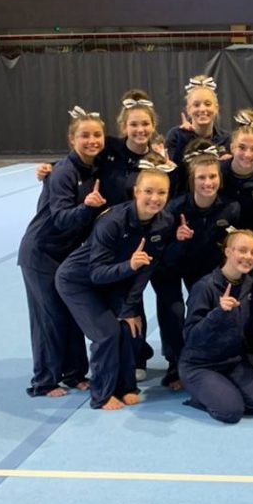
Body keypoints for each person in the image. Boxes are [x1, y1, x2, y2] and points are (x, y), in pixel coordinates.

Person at [56, 161, 176, 409]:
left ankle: (126, 386)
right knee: (106, 334)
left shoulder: (164, 222)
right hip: (78, 281)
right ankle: (102, 394)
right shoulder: (112, 222)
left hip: (115, 280)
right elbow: (97, 273)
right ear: (136, 192)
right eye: (148, 192)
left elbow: (147, 269)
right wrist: (129, 266)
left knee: (131, 329)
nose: (154, 198)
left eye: (161, 193)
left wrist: (129, 308)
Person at [18, 107, 106, 397]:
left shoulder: (95, 167)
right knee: (49, 317)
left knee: (71, 313)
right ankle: (44, 381)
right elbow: (61, 218)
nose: (92, 140)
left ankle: (73, 373)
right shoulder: (63, 173)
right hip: (41, 253)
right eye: (84, 135)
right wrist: (87, 208)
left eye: (97, 134)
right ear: (72, 139)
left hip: (66, 254)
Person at [150, 141, 240, 388]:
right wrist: (178, 240)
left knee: (204, 309)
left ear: (220, 179)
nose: (207, 183)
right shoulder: (173, 209)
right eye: (202, 177)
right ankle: (175, 364)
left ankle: (205, 358)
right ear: (192, 180)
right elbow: (161, 254)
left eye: (212, 177)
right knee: (174, 312)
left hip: (202, 266)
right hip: (169, 266)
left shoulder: (230, 208)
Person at [178, 229, 253, 423]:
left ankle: (223, 387)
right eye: (242, 250)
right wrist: (217, 313)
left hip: (233, 360)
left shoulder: (251, 285)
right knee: (231, 412)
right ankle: (199, 396)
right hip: (200, 364)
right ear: (228, 252)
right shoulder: (205, 287)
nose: (248, 257)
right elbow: (191, 337)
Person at [164, 75, 230, 198]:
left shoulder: (226, 139)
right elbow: (173, 178)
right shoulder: (176, 136)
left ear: (216, 108)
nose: (202, 109)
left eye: (208, 103)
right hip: (182, 203)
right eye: (196, 105)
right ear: (188, 109)